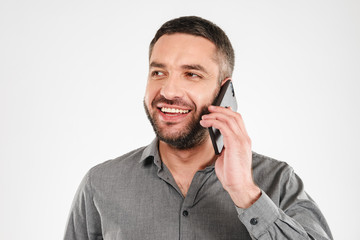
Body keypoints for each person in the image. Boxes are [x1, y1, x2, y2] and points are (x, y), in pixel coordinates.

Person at [64, 16, 333, 240]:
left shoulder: (278, 181)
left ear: (223, 91)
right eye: (158, 72)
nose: (168, 91)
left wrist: (246, 194)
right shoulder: (101, 184)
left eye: (191, 74)